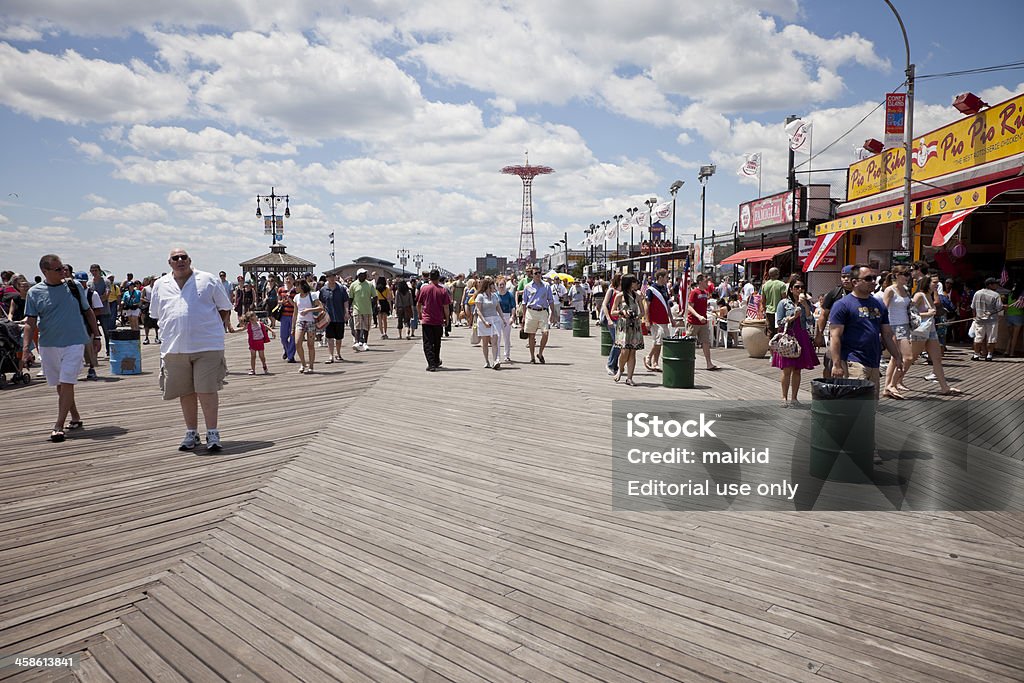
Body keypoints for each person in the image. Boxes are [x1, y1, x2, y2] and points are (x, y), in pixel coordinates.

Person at [149, 248, 233, 452]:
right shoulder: (160, 285)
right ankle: (191, 432)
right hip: (174, 346)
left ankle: (212, 432)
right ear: (169, 263)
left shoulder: (208, 279)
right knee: (185, 391)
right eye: (175, 258)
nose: (180, 261)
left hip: (207, 346)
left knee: (207, 390)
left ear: (190, 260)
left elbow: (224, 307)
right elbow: (156, 314)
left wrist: (209, 327)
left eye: (183, 257)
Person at [21, 254, 103, 442]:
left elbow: (88, 311)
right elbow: (30, 322)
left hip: (75, 341)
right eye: (58, 269)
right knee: (60, 385)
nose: (63, 272)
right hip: (49, 344)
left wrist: (96, 335)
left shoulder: (74, 287)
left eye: (64, 268)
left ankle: (58, 425)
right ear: (45, 271)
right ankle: (74, 416)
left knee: (67, 382)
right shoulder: (35, 293)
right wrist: (26, 348)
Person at [828, 265, 903, 401]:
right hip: (853, 361)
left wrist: (897, 356)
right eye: (868, 278)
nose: (873, 281)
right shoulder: (842, 305)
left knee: (871, 405)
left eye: (874, 278)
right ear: (855, 282)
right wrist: (836, 364)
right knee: (856, 403)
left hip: (874, 362)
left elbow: (887, 334)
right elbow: (835, 336)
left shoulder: (879, 304)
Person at [772, 279, 819, 406]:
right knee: (787, 369)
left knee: (798, 369)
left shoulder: (806, 303)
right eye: (797, 287)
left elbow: (810, 321)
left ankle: (794, 398)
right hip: (788, 336)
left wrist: (806, 306)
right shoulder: (783, 303)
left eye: (801, 287)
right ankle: (784, 397)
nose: (799, 290)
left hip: (801, 336)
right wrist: (793, 317)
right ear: (791, 289)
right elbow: (779, 322)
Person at [881, 266, 914, 399]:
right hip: (894, 326)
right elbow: (884, 310)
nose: (907, 277)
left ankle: (886, 387)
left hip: (905, 325)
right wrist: (884, 329)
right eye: (904, 274)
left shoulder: (905, 289)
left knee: (895, 359)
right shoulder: (890, 290)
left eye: (908, 274)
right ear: (896, 275)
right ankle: (892, 385)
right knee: (908, 357)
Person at [816, 266, 855, 379]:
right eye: (843, 277)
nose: (845, 279)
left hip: (854, 338)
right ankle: (827, 386)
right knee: (829, 365)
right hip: (835, 336)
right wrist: (819, 335)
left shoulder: (861, 293)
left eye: (849, 277)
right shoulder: (834, 293)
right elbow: (823, 314)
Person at [611, 274, 644, 386]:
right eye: (634, 281)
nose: (636, 283)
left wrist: (637, 316)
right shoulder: (619, 296)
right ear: (629, 283)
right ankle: (620, 369)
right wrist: (622, 312)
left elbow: (643, 312)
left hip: (634, 326)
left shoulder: (637, 296)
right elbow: (613, 311)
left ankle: (629, 378)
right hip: (624, 326)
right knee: (625, 351)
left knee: (632, 352)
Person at [417, 269, 451, 371]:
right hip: (438, 320)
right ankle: (436, 360)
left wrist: (419, 314)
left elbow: (419, 304)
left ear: (430, 278)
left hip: (427, 319)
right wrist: (447, 318)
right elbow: (446, 306)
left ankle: (431, 363)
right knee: (437, 342)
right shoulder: (443, 290)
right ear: (438, 278)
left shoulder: (424, 289)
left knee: (427, 342)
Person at [522, 268, 557, 364]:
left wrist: (553, 313)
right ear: (532, 275)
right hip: (531, 311)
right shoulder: (527, 287)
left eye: (539, 273)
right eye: (535, 273)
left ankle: (540, 353)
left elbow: (550, 300)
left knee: (545, 333)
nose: (538, 275)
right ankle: (532, 357)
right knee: (531, 335)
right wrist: (524, 316)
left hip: (543, 311)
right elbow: (524, 302)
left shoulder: (546, 286)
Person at [685, 274, 719, 371]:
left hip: (703, 322)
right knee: (689, 343)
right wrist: (698, 316)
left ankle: (709, 363)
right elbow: (689, 306)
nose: (707, 284)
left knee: (706, 342)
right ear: (700, 282)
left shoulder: (705, 293)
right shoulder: (694, 292)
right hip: (694, 322)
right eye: (705, 281)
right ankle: (686, 361)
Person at [643, 269, 673, 372]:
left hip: (664, 319)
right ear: (660, 277)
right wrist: (647, 320)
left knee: (661, 341)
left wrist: (671, 319)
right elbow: (647, 305)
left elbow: (668, 305)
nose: (667, 279)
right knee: (658, 340)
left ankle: (655, 362)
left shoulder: (664, 289)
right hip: (655, 320)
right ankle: (649, 357)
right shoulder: (651, 290)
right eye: (666, 277)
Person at [474, 277, 505, 369]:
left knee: (495, 341)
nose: (494, 287)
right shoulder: (480, 296)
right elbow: (478, 311)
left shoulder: (495, 296)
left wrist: (503, 318)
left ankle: (495, 360)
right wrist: (484, 321)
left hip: (494, 319)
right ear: (488, 286)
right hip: (484, 320)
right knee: (485, 342)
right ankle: (487, 361)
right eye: (492, 285)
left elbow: (498, 307)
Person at [293, 279, 323, 374]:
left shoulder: (312, 295)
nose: (295, 288)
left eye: (297, 285)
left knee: (310, 345)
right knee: (297, 343)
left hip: (310, 321)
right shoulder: (296, 297)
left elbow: (321, 307)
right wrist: (292, 327)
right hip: (300, 321)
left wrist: (308, 310)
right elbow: (295, 313)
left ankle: (311, 366)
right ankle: (303, 363)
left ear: (302, 286)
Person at [318, 272, 349, 363]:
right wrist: (321, 314)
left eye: (333, 276)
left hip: (339, 316)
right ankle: (330, 355)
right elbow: (321, 303)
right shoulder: (323, 290)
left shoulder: (341, 289)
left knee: (339, 338)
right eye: (329, 277)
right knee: (329, 337)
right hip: (328, 318)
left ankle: (338, 353)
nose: (332, 278)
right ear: (326, 278)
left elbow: (345, 301)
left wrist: (346, 312)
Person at [971, 277, 1005, 361]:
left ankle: (976, 355)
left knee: (978, 337)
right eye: (995, 284)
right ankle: (989, 355)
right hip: (992, 320)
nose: (997, 285)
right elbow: (999, 307)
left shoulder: (977, 293)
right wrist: (1004, 307)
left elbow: (973, 307)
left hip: (979, 319)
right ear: (990, 285)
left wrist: (974, 317)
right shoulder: (996, 295)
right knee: (991, 338)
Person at [601, 274, 622, 376]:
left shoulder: (624, 292)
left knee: (620, 343)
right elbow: (604, 304)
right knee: (617, 342)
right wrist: (608, 319)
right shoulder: (611, 290)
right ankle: (610, 364)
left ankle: (615, 365)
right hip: (612, 320)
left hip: (621, 320)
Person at [349, 268, 374, 351]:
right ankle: (357, 342)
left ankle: (365, 343)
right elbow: (350, 298)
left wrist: (373, 306)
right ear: (359, 275)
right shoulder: (353, 285)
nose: (364, 275)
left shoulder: (370, 284)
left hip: (367, 309)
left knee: (366, 328)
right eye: (362, 274)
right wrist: (349, 308)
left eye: (365, 274)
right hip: (357, 309)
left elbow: (375, 296)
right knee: (357, 327)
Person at [760, 267, 787, 337]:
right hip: (779, 312)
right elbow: (784, 299)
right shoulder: (782, 284)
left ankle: (771, 346)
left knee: (770, 331)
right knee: (779, 331)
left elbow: (763, 300)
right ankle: (778, 346)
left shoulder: (765, 285)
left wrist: (765, 309)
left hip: (769, 311)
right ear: (777, 274)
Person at [277, 274, 297, 362]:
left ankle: (290, 355)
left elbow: (296, 305)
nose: (288, 280)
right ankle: (287, 350)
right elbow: (278, 301)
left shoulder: (296, 290)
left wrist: (290, 300)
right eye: (287, 279)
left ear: (293, 280)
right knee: (283, 337)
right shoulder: (281, 289)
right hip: (284, 315)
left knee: (293, 336)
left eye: (290, 279)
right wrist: (282, 301)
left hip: (293, 315)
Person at [495, 276, 515, 363]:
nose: (502, 287)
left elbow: (513, 307)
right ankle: (497, 356)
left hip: (506, 315)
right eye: (500, 285)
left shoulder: (509, 294)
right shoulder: (495, 295)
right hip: (497, 316)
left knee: (506, 337)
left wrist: (512, 317)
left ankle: (507, 355)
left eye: (503, 285)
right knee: (498, 337)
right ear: (497, 286)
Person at [1006, 282, 1024, 357]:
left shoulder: (1010, 294)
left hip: (1009, 316)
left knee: (1010, 336)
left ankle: (1006, 351)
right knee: (1015, 337)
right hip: (1018, 316)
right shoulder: (1021, 296)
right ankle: (1011, 353)